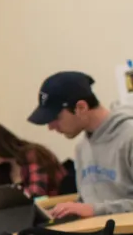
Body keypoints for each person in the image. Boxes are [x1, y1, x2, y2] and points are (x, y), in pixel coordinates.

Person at [28, 71, 133, 220]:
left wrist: (94, 210)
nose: (51, 127)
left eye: (55, 118)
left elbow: (93, 208)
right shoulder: (82, 148)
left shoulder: (129, 137)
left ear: (81, 108)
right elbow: (89, 203)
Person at [0, 121, 66, 197]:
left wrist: (6, 200)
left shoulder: (33, 154)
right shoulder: (2, 167)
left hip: (53, 210)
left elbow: (36, 193)